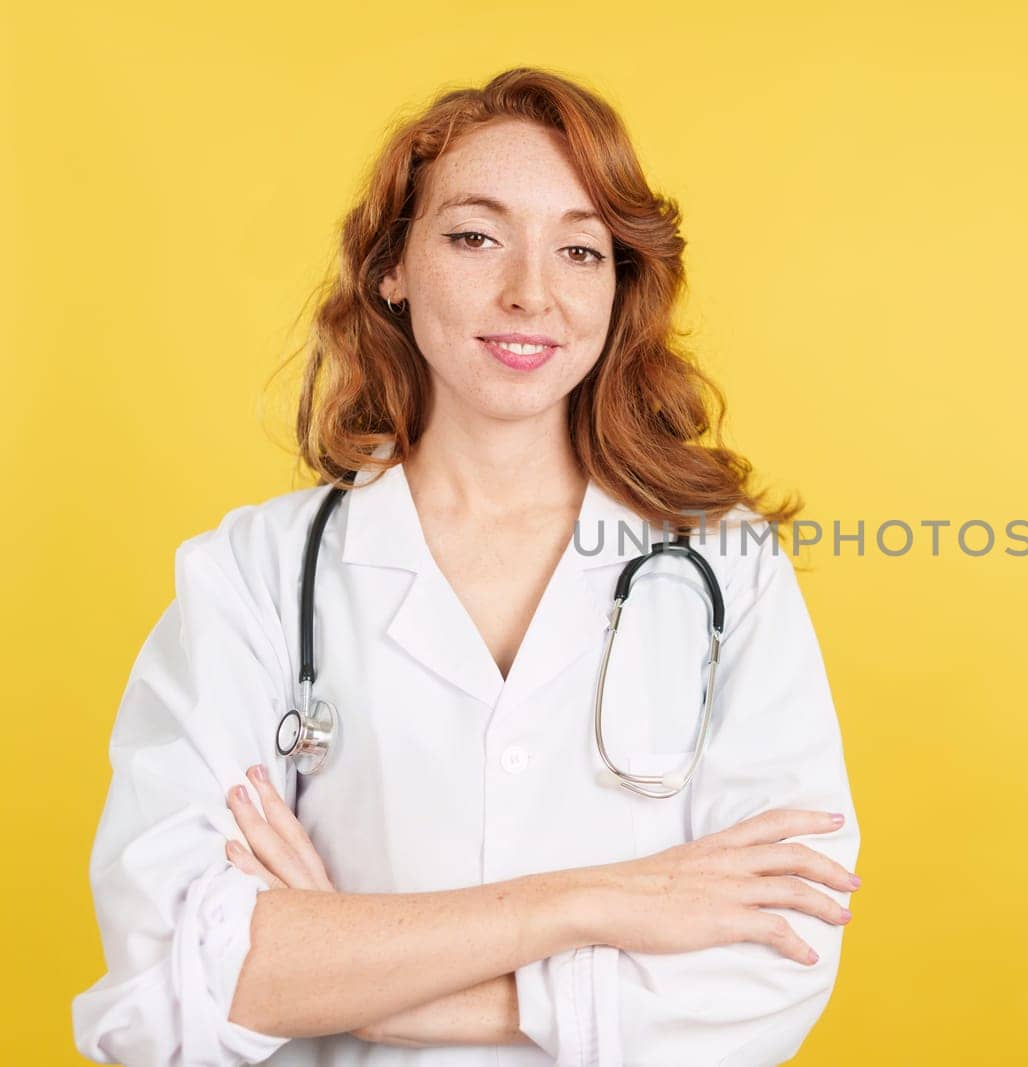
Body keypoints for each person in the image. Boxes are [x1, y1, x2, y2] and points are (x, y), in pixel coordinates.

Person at [71, 67, 860, 1066]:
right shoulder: (256, 574)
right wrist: (600, 899)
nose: (531, 290)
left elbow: (775, 961)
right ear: (392, 265)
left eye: (579, 248)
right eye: (475, 235)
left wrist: (373, 977)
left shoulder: (725, 565)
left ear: (619, 283)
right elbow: (170, 990)